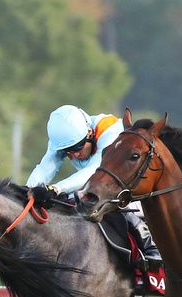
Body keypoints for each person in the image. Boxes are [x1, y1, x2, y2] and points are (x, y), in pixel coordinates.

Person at [26, 104, 161, 263]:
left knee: (109, 199)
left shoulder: (110, 129)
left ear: (90, 133)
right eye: (67, 152)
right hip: (99, 187)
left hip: (132, 191)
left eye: (77, 148)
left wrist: (56, 188)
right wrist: (27, 191)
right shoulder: (62, 140)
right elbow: (45, 168)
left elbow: (93, 170)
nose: (74, 155)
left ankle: (150, 246)